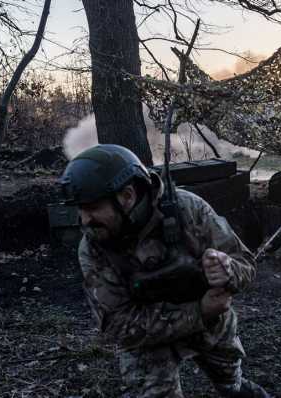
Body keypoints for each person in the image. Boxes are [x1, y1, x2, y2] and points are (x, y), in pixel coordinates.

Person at [59, 144, 270, 398]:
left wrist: (228, 270)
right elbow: (119, 326)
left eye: (92, 208)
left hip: (211, 325)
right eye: (80, 209)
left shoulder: (188, 210)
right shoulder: (93, 247)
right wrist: (199, 312)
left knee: (231, 385)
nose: (84, 220)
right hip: (148, 339)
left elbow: (246, 265)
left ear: (127, 196)